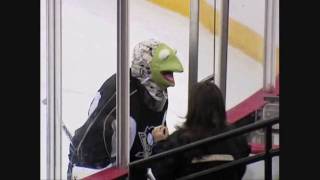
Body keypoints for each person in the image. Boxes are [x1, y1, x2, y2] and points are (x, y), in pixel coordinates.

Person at [67, 39, 183, 180]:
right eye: (166, 73)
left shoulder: (155, 91)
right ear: (146, 69)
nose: (172, 83)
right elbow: (90, 155)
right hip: (95, 169)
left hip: (132, 168)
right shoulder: (121, 103)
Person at [151, 80, 250, 180]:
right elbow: (240, 168)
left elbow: (161, 174)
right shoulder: (236, 137)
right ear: (220, 105)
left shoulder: (180, 140)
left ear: (193, 107)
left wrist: (160, 143)